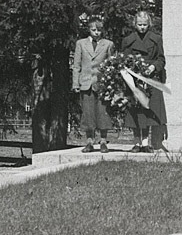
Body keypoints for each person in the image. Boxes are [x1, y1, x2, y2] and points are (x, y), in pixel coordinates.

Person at [120, 10, 168, 152]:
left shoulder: (156, 38)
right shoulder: (128, 40)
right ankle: (137, 142)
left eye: (145, 24)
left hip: (150, 79)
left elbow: (161, 59)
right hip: (133, 80)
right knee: (135, 112)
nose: (142, 27)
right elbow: (123, 60)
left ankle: (146, 143)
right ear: (135, 24)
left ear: (149, 24)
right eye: (140, 24)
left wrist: (153, 67)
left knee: (147, 112)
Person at [71, 16, 115, 153]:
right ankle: (89, 141)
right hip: (85, 83)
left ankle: (103, 141)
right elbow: (76, 65)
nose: (96, 32)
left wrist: (111, 83)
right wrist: (75, 83)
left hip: (102, 84)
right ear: (89, 30)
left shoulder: (108, 44)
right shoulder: (81, 44)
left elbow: (112, 64)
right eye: (94, 30)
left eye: (99, 30)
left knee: (103, 113)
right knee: (88, 113)